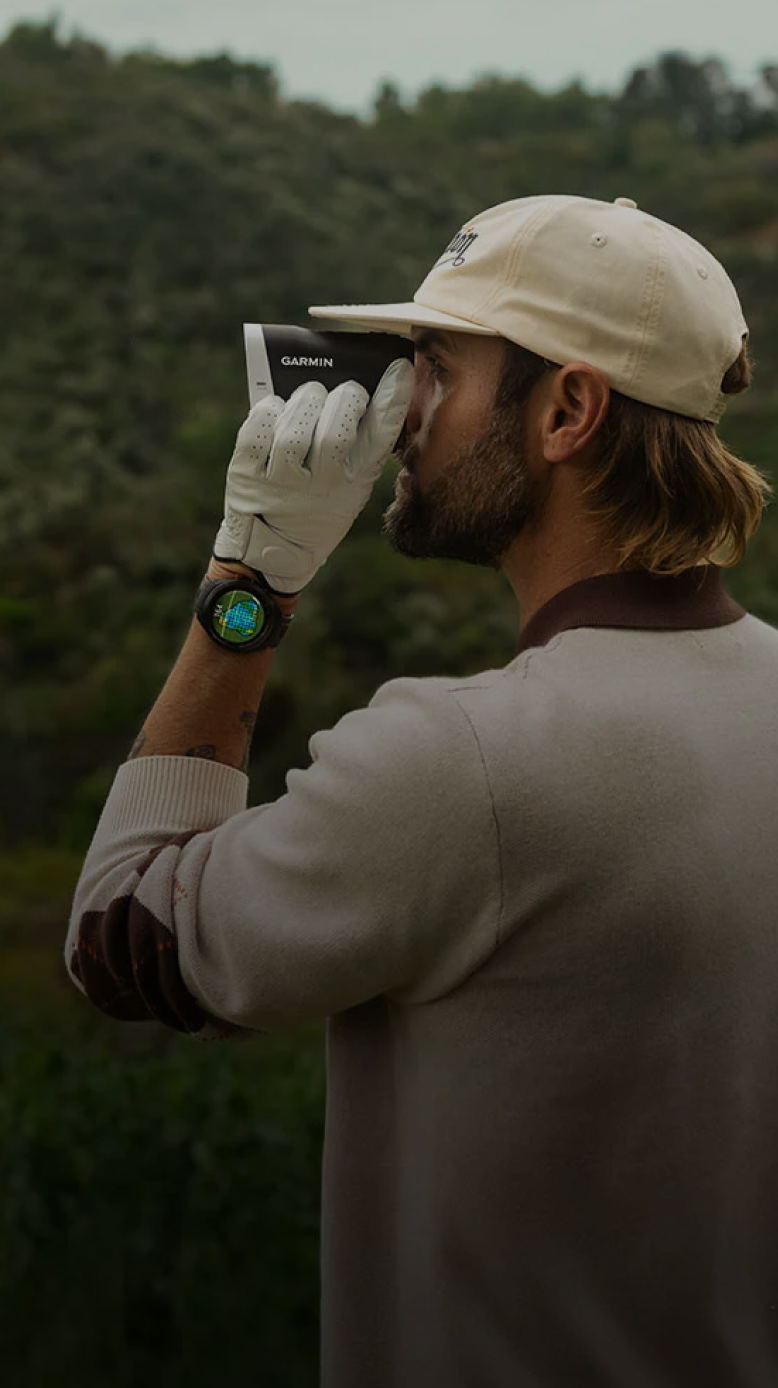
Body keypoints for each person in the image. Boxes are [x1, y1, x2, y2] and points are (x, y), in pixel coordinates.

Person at [65, 194, 778, 1388]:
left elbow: (114, 935)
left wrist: (251, 578)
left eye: (435, 367)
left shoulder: (460, 759)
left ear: (567, 411)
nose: (399, 412)